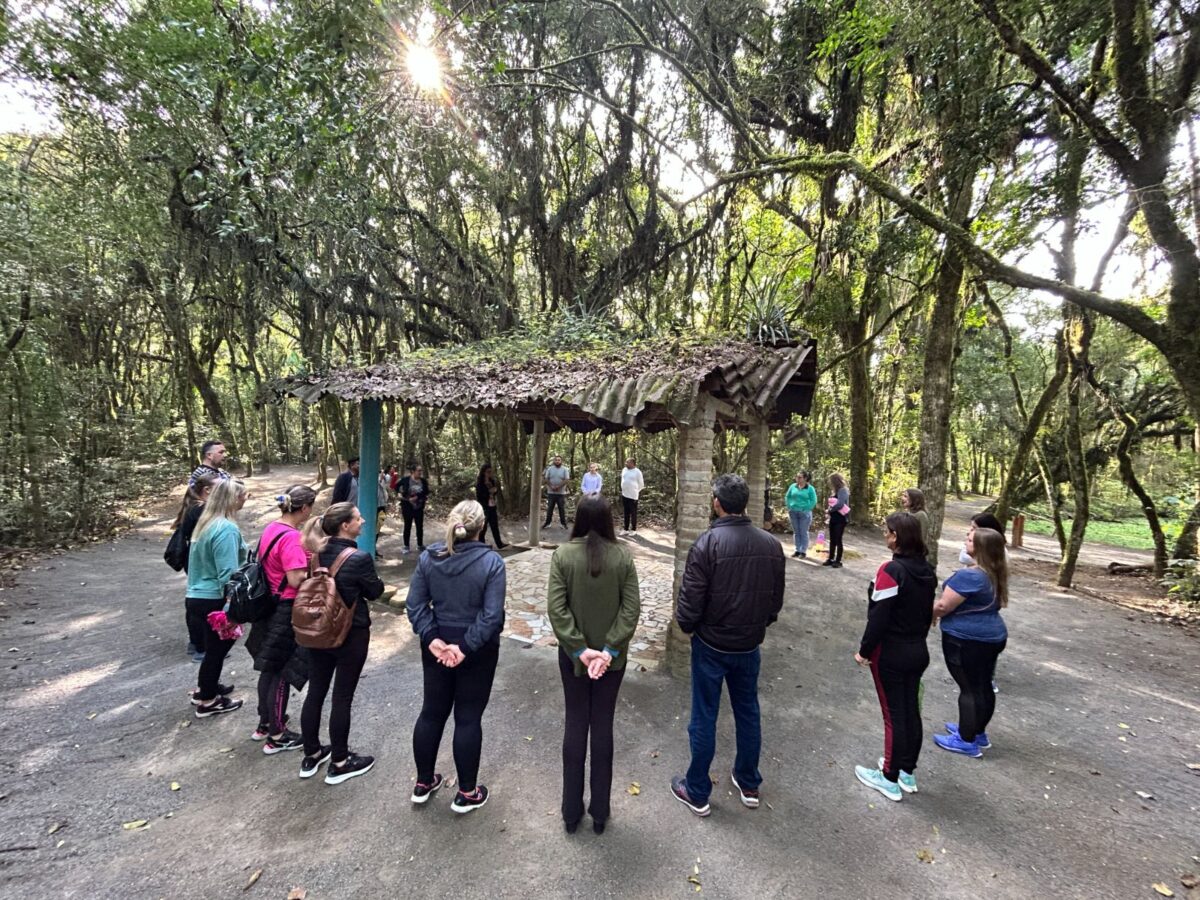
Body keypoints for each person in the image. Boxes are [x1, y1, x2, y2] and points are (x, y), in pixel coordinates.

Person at [670, 474, 786, 817]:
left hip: (711, 645)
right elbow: (775, 601)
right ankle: (748, 782)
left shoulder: (707, 544)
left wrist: (689, 628)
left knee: (704, 715)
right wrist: (758, 625)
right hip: (748, 646)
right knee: (748, 711)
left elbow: (689, 602)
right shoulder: (770, 544)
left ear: (717, 503)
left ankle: (697, 791)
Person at [546, 496, 641, 834]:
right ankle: (599, 811)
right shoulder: (623, 558)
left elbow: (556, 610)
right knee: (602, 727)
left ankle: (571, 812)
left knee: (575, 723)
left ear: (578, 519)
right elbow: (631, 611)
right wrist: (608, 652)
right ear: (609, 521)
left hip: (574, 660)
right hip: (611, 663)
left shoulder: (562, 556)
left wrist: (579, 650)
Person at [406, 500, 506, 814]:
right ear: (482, 527)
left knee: (432, 712)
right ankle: (467, 791)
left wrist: (433, 639)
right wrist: (463, 648)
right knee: (467, 717)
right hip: (476, 649)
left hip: (437, 644)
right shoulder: (492, 563)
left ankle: (423, 782)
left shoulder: (429, 558)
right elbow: (491, 616)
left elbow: (415, 605)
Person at [852, 512, 938, 801]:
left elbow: (879, 616)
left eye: (888, 531)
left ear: (897, 537)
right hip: (917, 649)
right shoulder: (926, 571)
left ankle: (889, 776)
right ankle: (906, 770)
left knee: (894, 715)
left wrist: (864, 651)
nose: (885, 535)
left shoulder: (891, 571)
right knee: (910, 711)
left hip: (891, 652)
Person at [298, 502, 385, 784]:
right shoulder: (358, 558)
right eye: (359, 519)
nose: (363, 522)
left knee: (316, 692)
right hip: (350, 633)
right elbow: (374, 591)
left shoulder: (316, 554)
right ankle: (340, 760)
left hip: (316, 631)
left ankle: (311, 754)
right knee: (342, 696)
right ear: (345, 525)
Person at [246, 485, 316, 754]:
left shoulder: (272, 529)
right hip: (285, 608)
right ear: (305, 508)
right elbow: (296, 578)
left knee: (269, 667)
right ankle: (277, 734)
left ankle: (265, 722)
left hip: (269, 604)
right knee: (282, 671)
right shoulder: (290, 538)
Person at [932, 527, 1009, 757]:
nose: (965, 541)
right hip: (992, 636)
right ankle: (976, 731)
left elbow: (944, 606)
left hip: (967, 640)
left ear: (981, 548)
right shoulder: (994, 572)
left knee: (969, 688)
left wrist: (924, 612)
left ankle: (966, 740)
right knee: (983, 685)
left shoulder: (971, 575)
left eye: (970, 540)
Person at [186, 478, 249, 717]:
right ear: (232, 499)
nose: (245, 499)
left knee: (213, 649)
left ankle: (206, 689)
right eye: (243, 495)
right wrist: (232, 606)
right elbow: (227, 573)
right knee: (217, 650)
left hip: (196, 595)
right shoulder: (225, 528)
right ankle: (209, 701)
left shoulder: (206, 523)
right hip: (213, 598)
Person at [173, 473, 219, 660]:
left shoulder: (195, 507)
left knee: (195, 599)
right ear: (207, 490)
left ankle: (197, 644)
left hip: (195, 559)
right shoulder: (200, 510)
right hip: (198, 560)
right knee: (200, 602)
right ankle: (201, 647)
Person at [785, 471, 817, 558]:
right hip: (793, 511)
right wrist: (789, 506)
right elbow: (787, 496)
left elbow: (814, 501)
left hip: (804, 513)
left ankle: (803, 551)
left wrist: (806, 508)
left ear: (805, 479)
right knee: (796, 532)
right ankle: (797, 550)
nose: (797, 479)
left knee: (803, 532)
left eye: (800, 477)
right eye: (797, 477)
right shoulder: (793, 486)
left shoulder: (810, 488)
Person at [475, 464, 508, 549]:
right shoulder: (480, 483)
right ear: (484, 472)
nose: (490, 474)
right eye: (488, 472)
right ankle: (481, 544)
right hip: (484, 507)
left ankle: (499, 544)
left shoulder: (492, 481)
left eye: (491, 472)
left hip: (492, 505)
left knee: (495, 526)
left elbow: (494, 492)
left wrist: (494, 491)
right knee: (483, 528)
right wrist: (489, 491)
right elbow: (479, 495)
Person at [399, 463, 428, 553]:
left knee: (420, 526)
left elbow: (426, 491)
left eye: (421, 471)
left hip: (419, 507)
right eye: (418, 470)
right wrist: (399, 493)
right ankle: (406, 546)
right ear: (413, 471)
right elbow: (396, 487)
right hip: (407, 506)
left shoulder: (423, 481)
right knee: (407, 526)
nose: (420, 472)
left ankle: (420, 545)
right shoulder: (405, 480)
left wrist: (418, 497)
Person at [824, 473, 850, 569]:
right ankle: (830, 558)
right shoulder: (834, 491)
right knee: (832, 539)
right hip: (833, 518)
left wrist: (830, 510)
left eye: (831, 481)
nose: (830, 483)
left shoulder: (843, 490)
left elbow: (840, 504)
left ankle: (838, 560)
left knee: (838, 539)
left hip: (841, 518)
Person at [901, 489, 932, 558]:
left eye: (905, 496)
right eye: (903, 495)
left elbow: (922, 537)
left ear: (914, 499)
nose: (902, 498)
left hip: (913, 554)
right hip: (904, 550)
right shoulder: (908, 513)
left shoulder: (921, 515)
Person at [542, 455, 571, 529]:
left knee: (561, 509)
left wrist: (558, 486)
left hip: (561, 493)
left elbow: (567, 479)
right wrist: (551, 486)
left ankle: (563, 524)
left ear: (561, 461)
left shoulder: (565, 469)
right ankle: (547, 523)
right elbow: (546, 479)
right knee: (550, 509)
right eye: (556, 460)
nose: (557, 461)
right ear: (554, 461)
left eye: (559, 460)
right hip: (551, 492)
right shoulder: (550, 469)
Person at [619, 457, 644, 536]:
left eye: (628, 462)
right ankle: (625, 529)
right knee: (626, 512)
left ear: (633, 464)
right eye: (626, 462)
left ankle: (633, 529)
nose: (626, 463)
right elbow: (623, 480)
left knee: (633, 513)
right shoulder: (624, 470)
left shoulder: (637, 472)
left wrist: (636, 491)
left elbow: (641, 484)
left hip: (633, 496)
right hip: (625, 494)